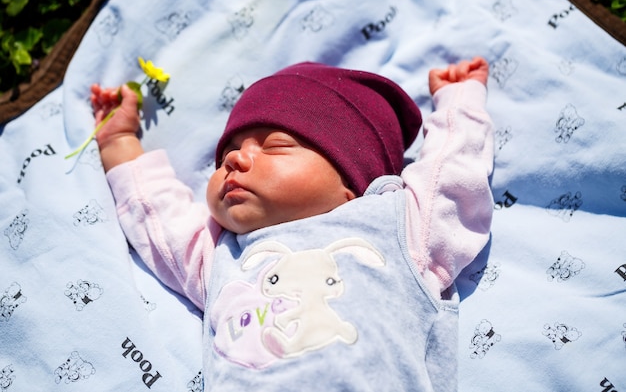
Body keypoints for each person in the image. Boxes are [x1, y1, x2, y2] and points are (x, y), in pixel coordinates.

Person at [92, 57, 493, 391]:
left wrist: (459, 100)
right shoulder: (221, 255)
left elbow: (453, 172)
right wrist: (118, 141)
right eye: (226, 154)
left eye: (275, 146)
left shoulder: (396, 224)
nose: (234, 160)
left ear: (350, 184)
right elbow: (158, 215)